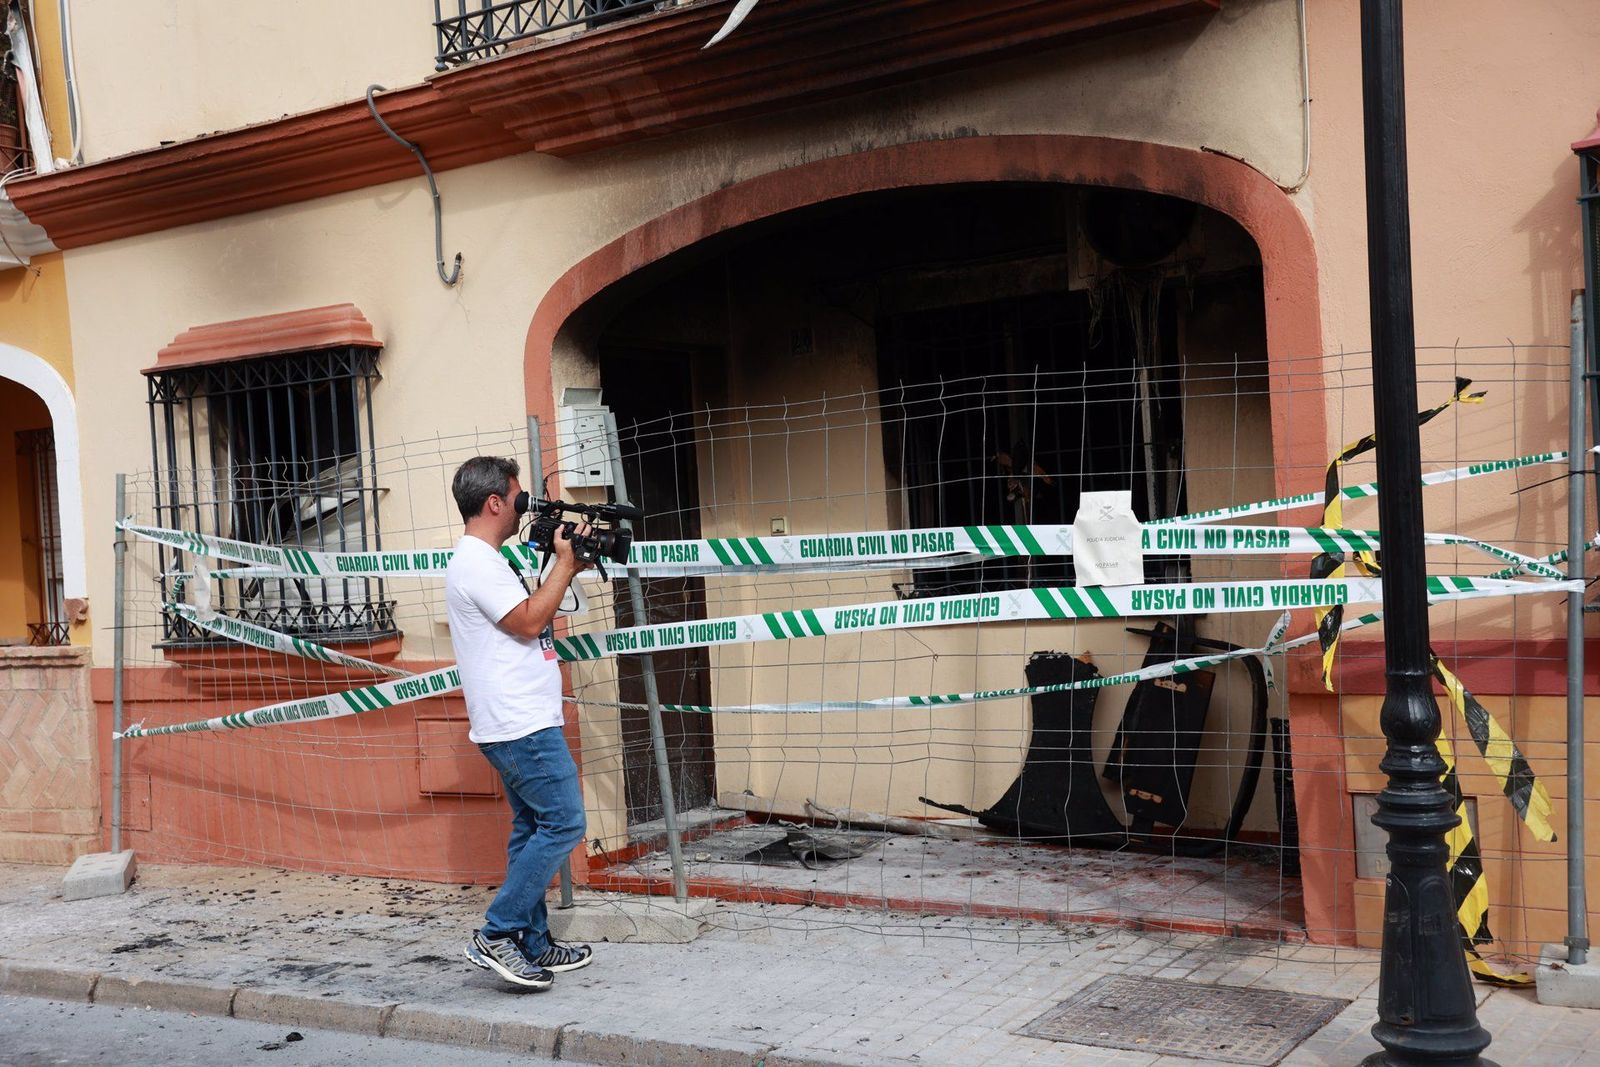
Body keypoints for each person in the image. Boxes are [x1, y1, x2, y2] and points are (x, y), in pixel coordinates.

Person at [446, 455, 594, 990]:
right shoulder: (477, 564)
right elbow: (531, 620)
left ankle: (533, 942)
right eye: (517, 498)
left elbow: (526, 614)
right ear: (494, 502)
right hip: (520, 726)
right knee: (564, 823)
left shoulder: (487, 559)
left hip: (517, 721)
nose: (521, 508)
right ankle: (498, 932)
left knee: (531, 828)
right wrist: (565, 565)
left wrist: (559, 563)